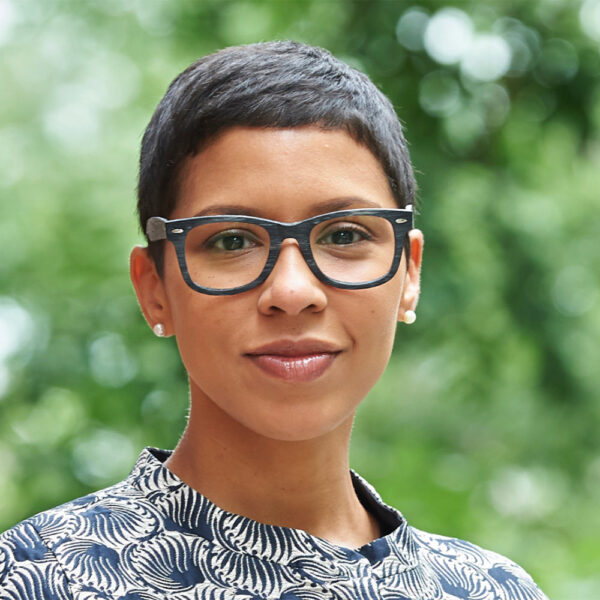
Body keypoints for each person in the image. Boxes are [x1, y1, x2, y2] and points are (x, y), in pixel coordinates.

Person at [0, 41, 548, 600]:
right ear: (154, 289)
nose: (291, 292)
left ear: (408, 274)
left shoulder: (489, 589)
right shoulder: (42, 576)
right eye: (232, 240)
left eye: (343, 235)